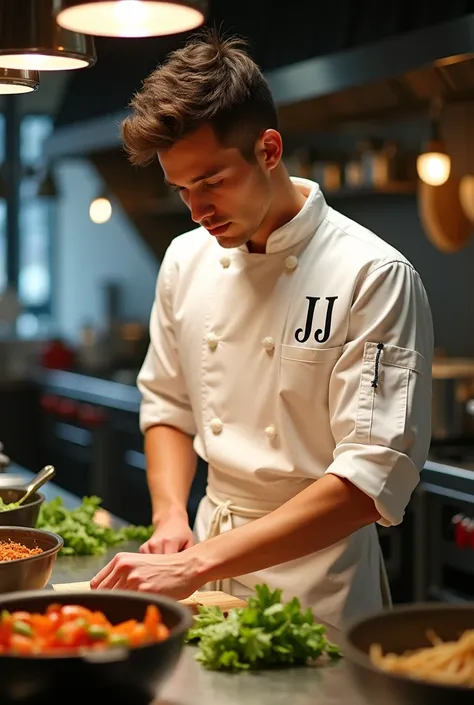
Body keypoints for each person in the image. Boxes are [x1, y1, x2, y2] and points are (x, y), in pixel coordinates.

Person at [91, 29, 434, 628]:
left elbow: (368, 478)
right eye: (181, 190)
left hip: (317, 586)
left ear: (268, 150)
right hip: (198, 564)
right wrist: (172, 516)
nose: (197, 211)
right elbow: (168, 405)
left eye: (212, 182)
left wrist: (196, 563)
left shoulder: (372, 274)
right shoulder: (184, 259)